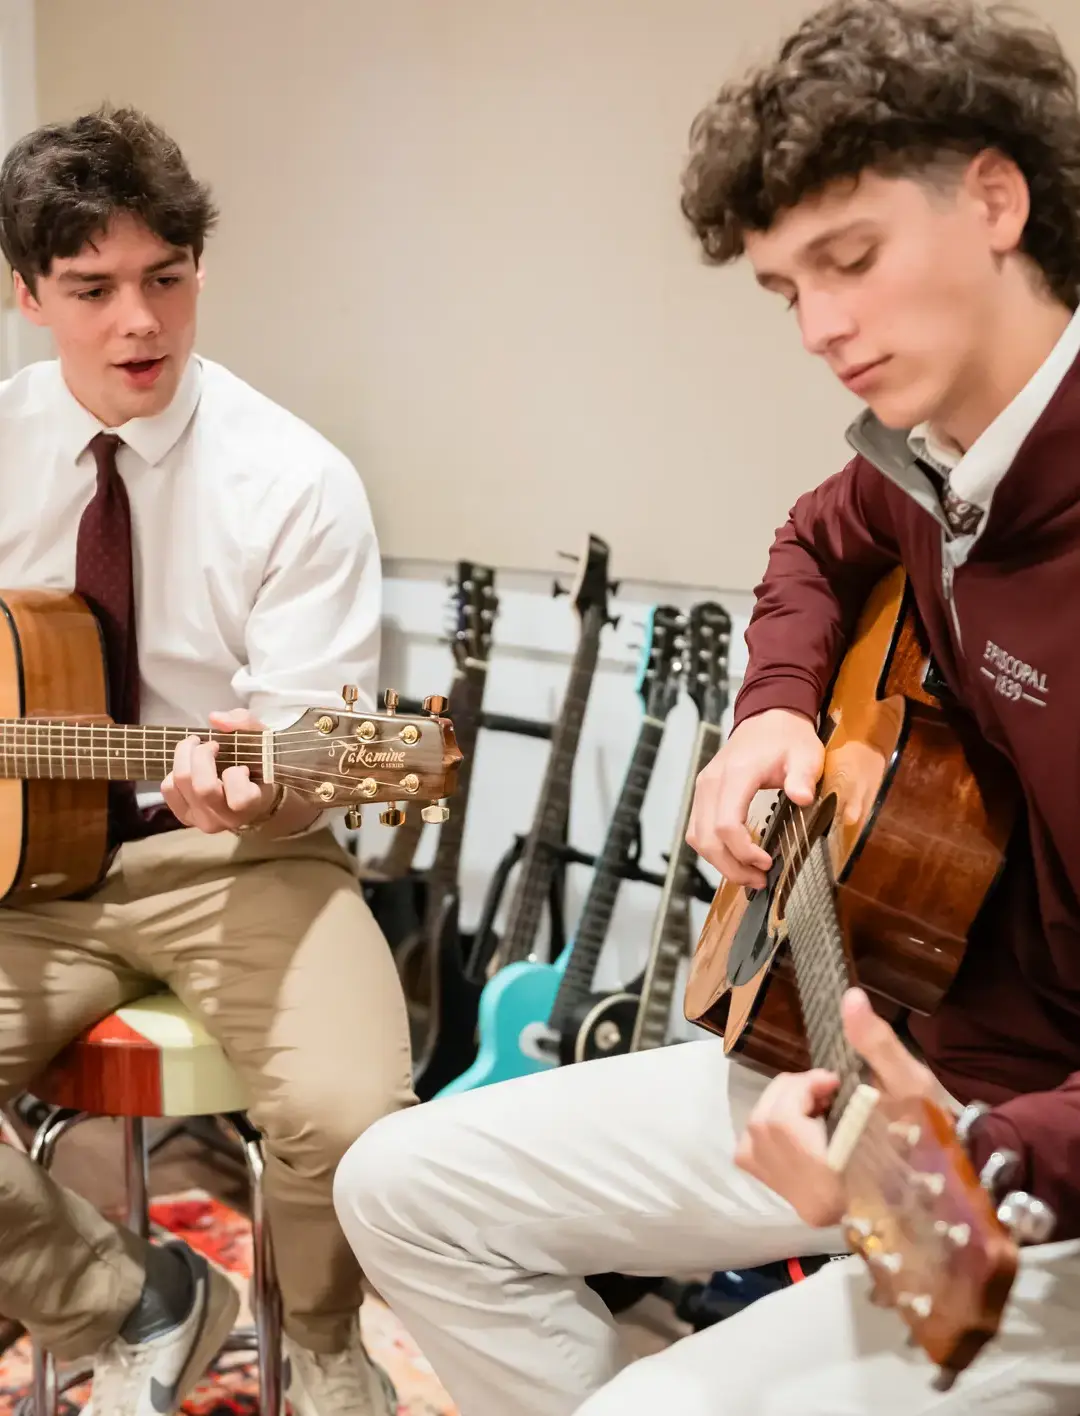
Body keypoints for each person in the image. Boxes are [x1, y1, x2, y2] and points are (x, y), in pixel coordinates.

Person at [331, 2, 1080, 1413]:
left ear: (996, 196)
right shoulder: (931, 462)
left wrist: (961, 1161)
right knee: (400, 1186)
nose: (819, 329)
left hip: (1032, 1167)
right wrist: (771, 713)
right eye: (784, 289)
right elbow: (815, 539)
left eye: (849, 262)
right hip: (885, 1049)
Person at [0, 106, 411, 1415]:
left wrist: (265, 779)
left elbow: (313, 751)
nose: (139, 324)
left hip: (239, 852)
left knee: (354, 1117)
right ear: (26, 295)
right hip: (28, 870)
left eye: (165, 279)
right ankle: (133, 1300)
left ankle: (334, 1356)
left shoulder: (294, 480)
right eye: (94, 289)